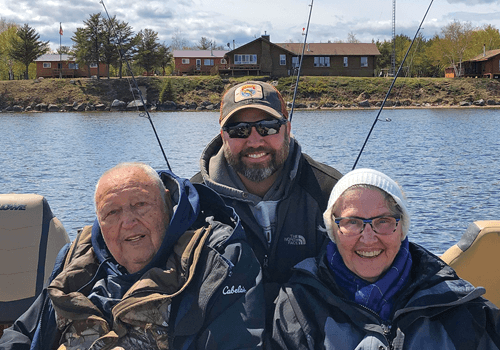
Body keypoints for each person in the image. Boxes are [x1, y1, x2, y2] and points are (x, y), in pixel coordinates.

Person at [0, 162, 265, 349]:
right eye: (112, 213)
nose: (128, 222)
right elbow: (23, 333)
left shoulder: (217, 258)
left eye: (140, 204)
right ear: (99, 223)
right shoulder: (75, 261)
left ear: (166, 204)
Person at [272, 168, 500, 349]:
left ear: (402, 229)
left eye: (383, 221)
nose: (368, 238)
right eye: (352, 222)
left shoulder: (459, 304)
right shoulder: (299, 306)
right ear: (333, 231)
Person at [191, 81, 342, 315]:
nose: (254, 141)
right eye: (239, 130)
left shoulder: (330, 190)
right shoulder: (194, 199)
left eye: (268, 127)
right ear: (223, 135)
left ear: (287, 130)